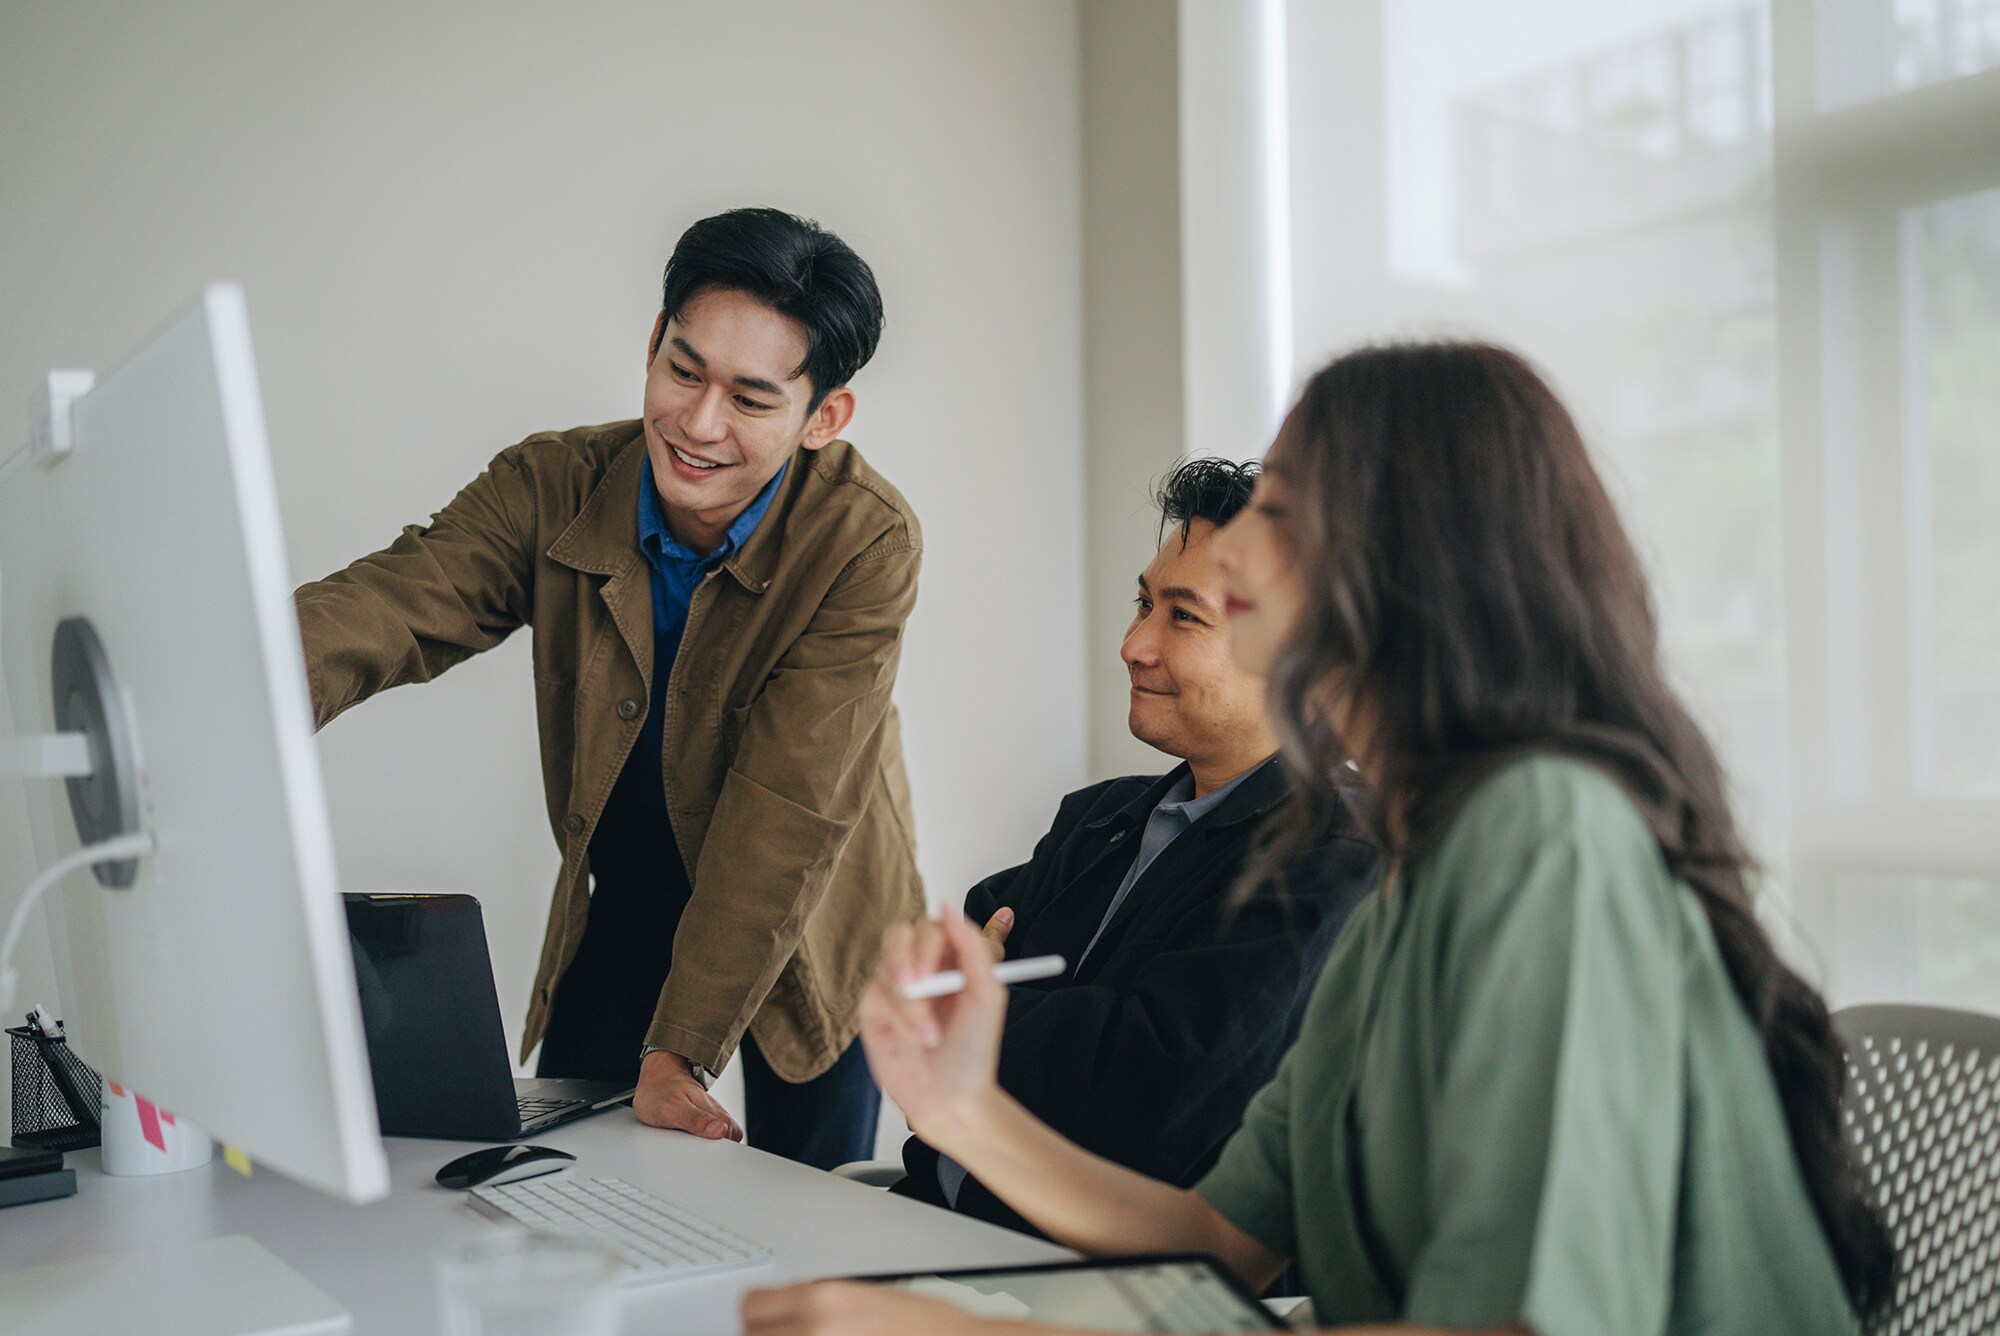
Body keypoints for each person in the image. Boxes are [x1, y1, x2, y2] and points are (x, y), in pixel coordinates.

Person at [743, 341, 1895, 1333]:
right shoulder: (1418, 868)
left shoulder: (1543, 831)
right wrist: (955, 1107)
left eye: (1281, 518)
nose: (1231, 553)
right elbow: (1212, 1237)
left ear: (1410, 562)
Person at [294, 207, 923, 1170]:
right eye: (682, 369)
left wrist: (679, 1052)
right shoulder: (550, 483)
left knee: (810, 1207)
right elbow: (394, 604)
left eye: (752, 400)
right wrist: (228, 693)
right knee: (563, 1181)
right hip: (630, 896)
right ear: (652, 344)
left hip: (817, 924)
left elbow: (788, 810)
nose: (698, 425)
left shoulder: (865, 540)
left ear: (822, 418)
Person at [890, 458, 1376, 1234]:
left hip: (1081, 1276)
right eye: (1143, 603)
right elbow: (936, 981)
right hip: (925, 1223)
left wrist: (980, 1020)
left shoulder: (1334, 858)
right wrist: (1060, 1022)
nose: (1133, 644)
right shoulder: (1100, 819)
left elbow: (1148, 1105)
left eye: (1183, 617)